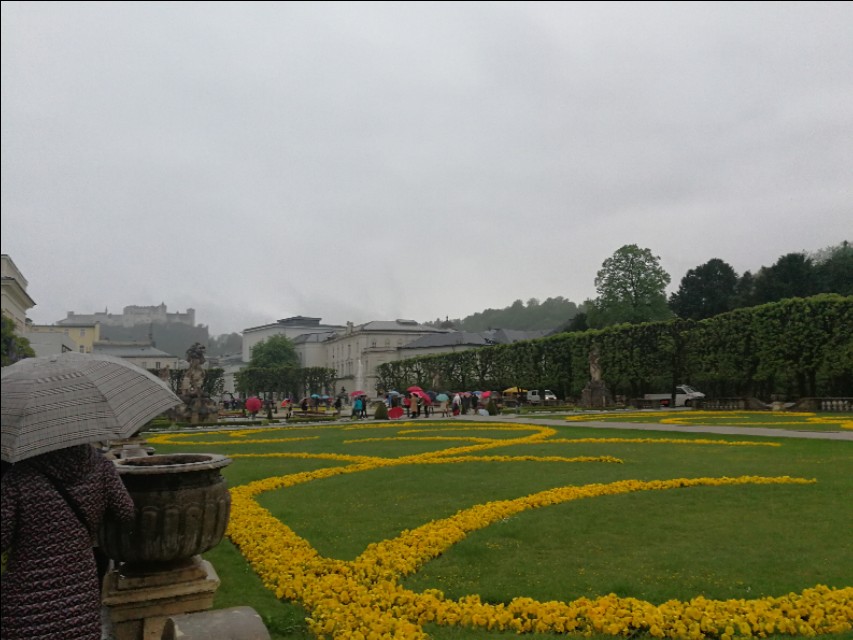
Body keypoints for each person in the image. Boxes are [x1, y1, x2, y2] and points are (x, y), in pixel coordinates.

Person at [1, 444, 136, 640]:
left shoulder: (19, 476)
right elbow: (125, 513)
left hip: (27, 598)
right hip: (80, 588)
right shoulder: (101, 467)